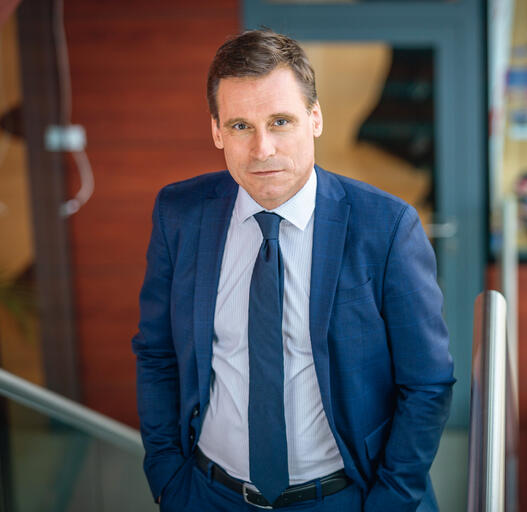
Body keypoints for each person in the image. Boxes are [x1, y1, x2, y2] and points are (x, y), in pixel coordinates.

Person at [132, 29, 454, 512]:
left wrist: (389, 502)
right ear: (217, 131)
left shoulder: (386, 227)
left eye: (280, 121)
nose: (262, 148)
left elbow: (427, 383)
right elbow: (156, 353)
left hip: (344, 497)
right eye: (240, 126)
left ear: (315, 118)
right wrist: (167, 479)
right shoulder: (180, 214)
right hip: (207, 493)